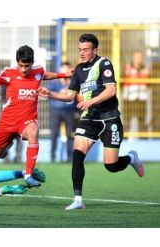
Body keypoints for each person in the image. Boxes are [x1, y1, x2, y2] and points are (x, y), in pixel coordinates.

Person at [38, 33, 144, 210]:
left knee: (111, 165)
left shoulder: (104, 64)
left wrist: (90, 101)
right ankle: (78, 199)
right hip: (89, 120)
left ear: (95, 50)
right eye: (80, 49)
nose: (82, 53)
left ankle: (131, 158)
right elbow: (70, 96)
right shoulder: (78, 69)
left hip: (110, 119)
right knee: (77, 155)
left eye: (86, 49)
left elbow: (111, 91)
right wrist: (51, 94)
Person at [0, 45, 72, 187]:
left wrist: (65, 75)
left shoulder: (38, 72)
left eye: (27, 66)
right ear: (17, 62)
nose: (23, 69)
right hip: (7, 122)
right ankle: (8, 145)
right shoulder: (8, 73)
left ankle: (28, 174)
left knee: (33, 131)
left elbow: (47, 75)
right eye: (21, 65)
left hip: (26, 121)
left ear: (33, 63)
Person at [48, 62, 80, 163]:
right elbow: (48, 94)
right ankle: (52, 157)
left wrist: (77, 110)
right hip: (56, 111)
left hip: (70, 111)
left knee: (70, 135)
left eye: (67, 69)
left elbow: (77, 98)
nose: (65, 72)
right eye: (63, 69)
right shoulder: (53, 82)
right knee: (54, 134)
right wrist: (60, 93)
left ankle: (70, 158)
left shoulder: (73, 82)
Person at [122, 50, 150, 133]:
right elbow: (122, 81)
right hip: (129, 98)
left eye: (140, 57)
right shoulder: (127, 67)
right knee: (127, 121)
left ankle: (144, 142)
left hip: (141, 98)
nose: (138, 59)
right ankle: (125, 140)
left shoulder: (146, 68)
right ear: (133, 58)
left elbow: (149, 84)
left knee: (142, 122)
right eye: (136, 57)